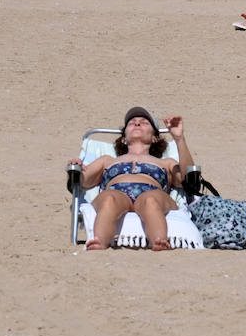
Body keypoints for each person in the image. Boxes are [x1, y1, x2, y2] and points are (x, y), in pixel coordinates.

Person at [66, 107, 195, 251]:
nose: (137, 123)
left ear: (154, 138)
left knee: (150, 201)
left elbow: (186, 178)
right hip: (116, 194)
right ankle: (99, 241)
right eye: (132, 122)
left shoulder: (165, 162)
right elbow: (84, 181)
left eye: (144, 122)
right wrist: (76, 168)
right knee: (109, 199)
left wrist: (179, 139)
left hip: (154, 194)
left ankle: (159, 241)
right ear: (123, 138)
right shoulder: (107, 160)